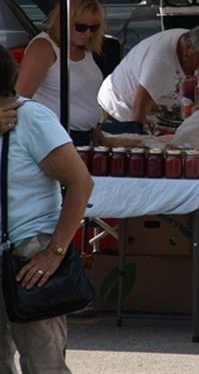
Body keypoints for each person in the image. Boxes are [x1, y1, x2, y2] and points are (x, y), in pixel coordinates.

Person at [0, 44, 94, 373]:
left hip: (28, 250)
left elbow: (80, 183)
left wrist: (55, 251)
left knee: (43, 363)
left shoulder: (31, 118)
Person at [16, 0, 106, 146]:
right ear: (65, 21)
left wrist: (95, 129)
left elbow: (84, 97)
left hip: (85, 137)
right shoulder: (44, 47)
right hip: (54, 137)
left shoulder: (84, 48)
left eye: (93, 28)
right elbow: (21, 98)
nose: (88, 33)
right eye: (81, 27)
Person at [97, 26, 199, 129]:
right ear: (188, 48)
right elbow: (139, 110)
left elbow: (191, 95)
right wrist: (138, 141)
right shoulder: (160, 63)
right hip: (119, 110)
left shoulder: (191, 39)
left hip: (152, 114)